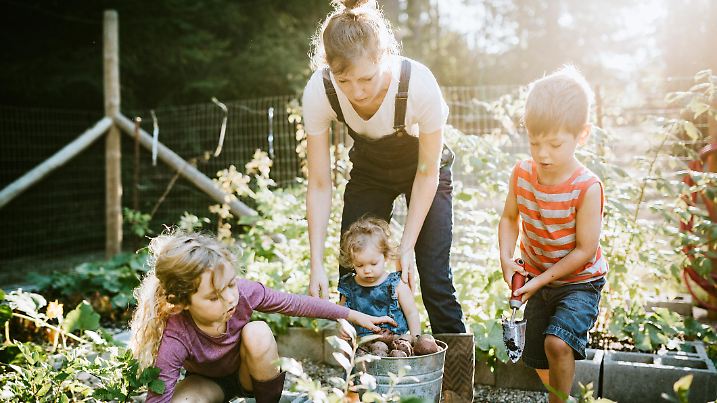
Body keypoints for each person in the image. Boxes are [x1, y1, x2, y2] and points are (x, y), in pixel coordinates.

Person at [302, 1, 473, 400]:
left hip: (425, 171)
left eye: (366, 78)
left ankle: (457, 389)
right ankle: (360, 382)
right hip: (370, 170)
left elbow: (428, 172)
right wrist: (315, 263)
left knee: (431, 276)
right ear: (330, 70)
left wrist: (406, 248)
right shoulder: (320, 90)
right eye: (345, 81)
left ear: (384, 58)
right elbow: (320, 183)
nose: (357, 92)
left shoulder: (419, 84)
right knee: (352, 270)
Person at [129, 231, 396, 403]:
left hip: (250, 374)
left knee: (257, 330)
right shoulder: (176, 334)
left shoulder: (243, 293)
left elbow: (296, 304)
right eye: (214, 297)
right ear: (180, 303)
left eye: (231, 285)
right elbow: (158, 397)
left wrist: (353, 315)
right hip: (208, 384)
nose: (230, 299)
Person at [498, 66, 608, 403]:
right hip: (537, 277)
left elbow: (585, 250)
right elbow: (509, 218)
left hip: (579, 281)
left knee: (556, 343)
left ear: (582, 135)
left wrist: (541, 280)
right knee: (535, 354)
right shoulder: (522, 174)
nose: (543, 153)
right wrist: (506, 258)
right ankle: (563, 397)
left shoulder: (587, 187)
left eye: (555, 144)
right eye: (534, 142)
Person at [337, 216, 421, 339]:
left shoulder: (396, 284)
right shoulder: (349, 286)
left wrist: (415, 338)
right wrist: (342, 326)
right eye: (359, 265)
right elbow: (342, 312)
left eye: (373, 263)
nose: (367, 270)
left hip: (395, 342)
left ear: (385, 256)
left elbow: (411, 313)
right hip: (362, 344)